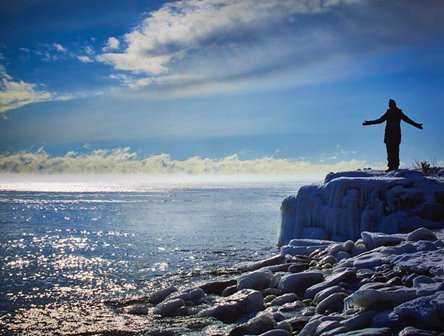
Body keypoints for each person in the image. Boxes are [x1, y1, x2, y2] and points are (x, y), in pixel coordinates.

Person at [362, 99, 423, 172]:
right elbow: (380, 120)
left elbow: (407, 120)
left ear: (394, 105)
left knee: (395, 151)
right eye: (389, 105)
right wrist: (369, 123)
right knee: (389, 151)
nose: (390, 106)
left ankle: (395, 166)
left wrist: (416, 125)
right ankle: (391, 166)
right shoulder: (388, 113)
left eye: (391, 105)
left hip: (396, 135)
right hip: (388, 135)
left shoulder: (398, 113)